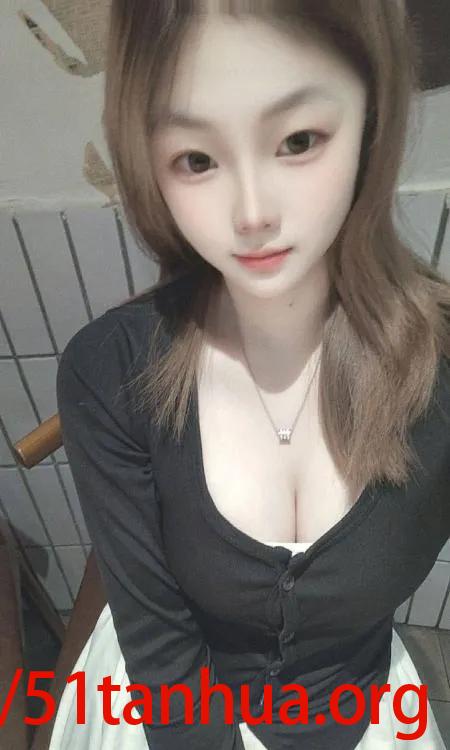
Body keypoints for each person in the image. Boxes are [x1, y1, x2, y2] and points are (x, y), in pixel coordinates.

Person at [50, 1, 450, 748]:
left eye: (298, 140)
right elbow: (161, 649)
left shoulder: (441, 367)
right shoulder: (112, 373)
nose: (251, 213)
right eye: (196, 159)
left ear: (372, 120)